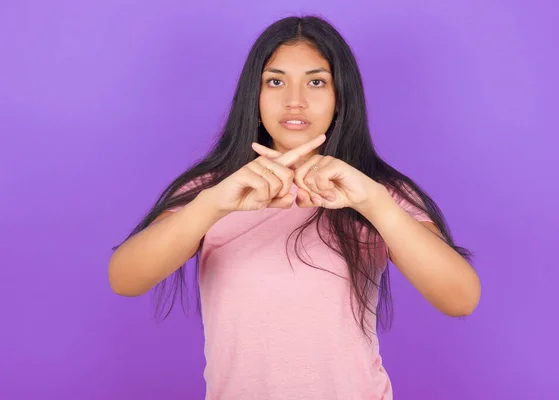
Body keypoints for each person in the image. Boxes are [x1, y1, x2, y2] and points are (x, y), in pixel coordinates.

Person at [109, 15, 481, 400]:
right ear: (253, 96)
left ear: (341, 99)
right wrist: (213, 205)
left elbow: (460, 298)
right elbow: (125, 278)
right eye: (275, 81)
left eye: (316, 82)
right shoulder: (211, 192)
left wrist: (376, 205)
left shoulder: (379, 192)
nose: (295, 100)